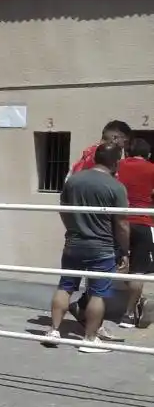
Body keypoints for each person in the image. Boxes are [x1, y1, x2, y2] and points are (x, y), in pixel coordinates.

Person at [46, 142, 130, 353]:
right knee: (97, 293)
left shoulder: (73, 181)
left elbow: (64, 210)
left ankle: (53, 330)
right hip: (102, 246)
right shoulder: (116, 187)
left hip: (74, 243)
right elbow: (121, 223)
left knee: (65, 286)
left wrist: (72, 229)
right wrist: (124, 250)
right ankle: (89, 339)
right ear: (115, 162)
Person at [115, 137, 154, 328]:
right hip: (143, 222)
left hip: (118, 221)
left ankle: (90, 306)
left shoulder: (118, 166)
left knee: (111, 266)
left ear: (127, 152)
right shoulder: (152, 168)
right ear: (148, 154)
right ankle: (129, 315)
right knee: (139, 271)